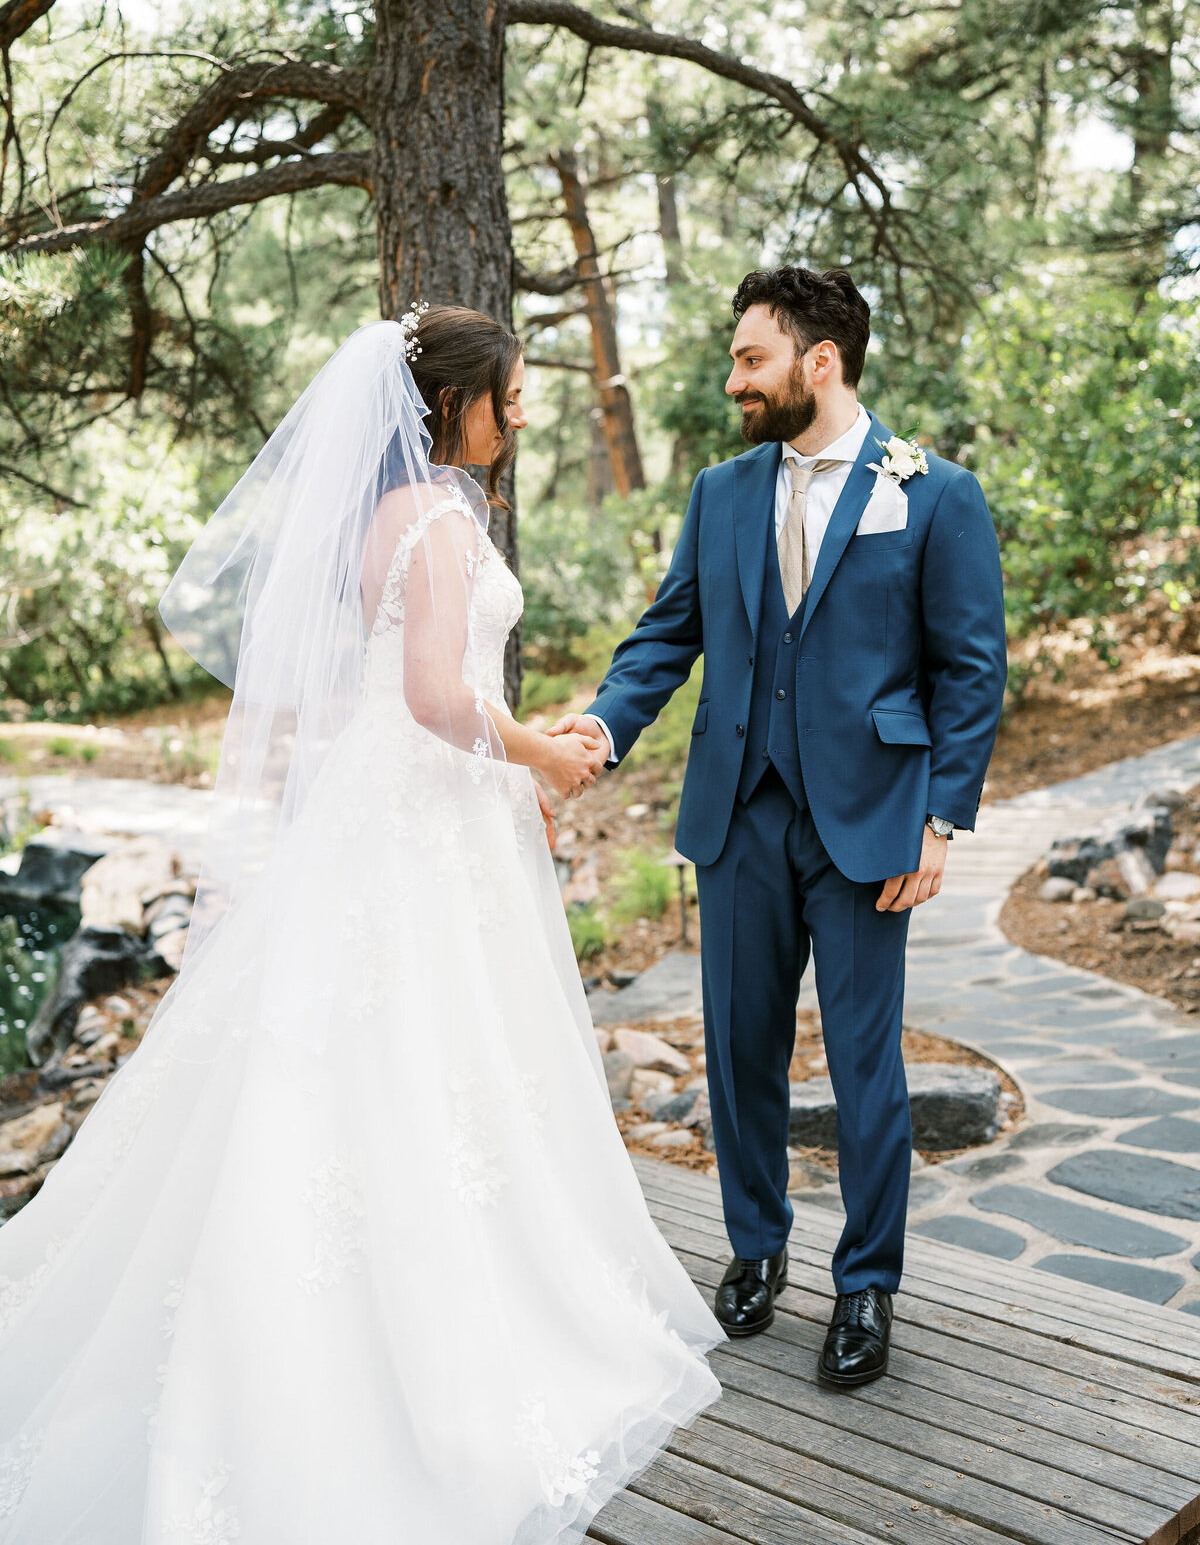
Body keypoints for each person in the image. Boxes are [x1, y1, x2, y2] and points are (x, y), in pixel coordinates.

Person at [0, 307, 724, 1543]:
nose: (522, 413)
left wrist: (524, 749)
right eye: (507, 395)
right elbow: (436, 697)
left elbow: (427, 686)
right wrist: (543, 754)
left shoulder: (392, 513)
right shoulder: (435, 521)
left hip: (405, 804)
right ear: (451, 403)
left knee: (386, 1052)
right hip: (421, 809)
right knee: (420, 1054)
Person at [550, 266, 1007, 1389]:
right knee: (740, 1048)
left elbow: (970, 670)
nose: (733, 380)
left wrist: (940, 820)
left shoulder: (935, 493)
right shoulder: (721, 492)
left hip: (870, 821)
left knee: (865, 1065)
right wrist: (602, 729)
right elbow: (667, 635)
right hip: (740, 813)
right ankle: (756, 1248)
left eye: (752, 359)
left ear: (821, 361)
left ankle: (867, 1284)